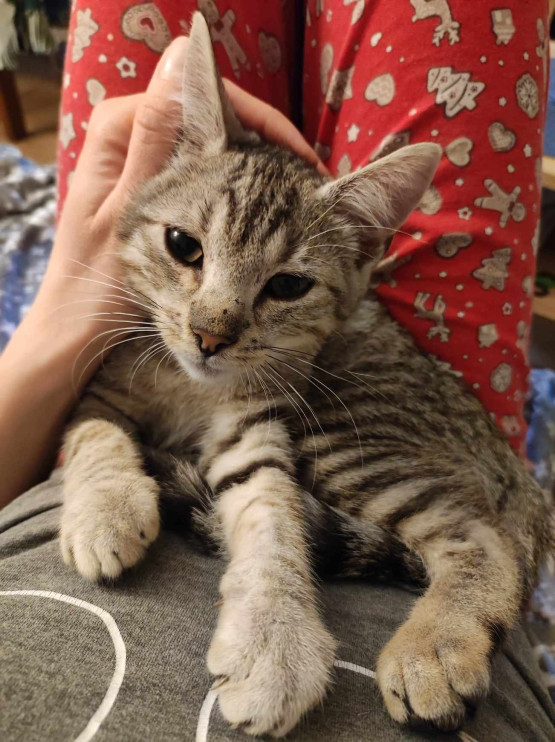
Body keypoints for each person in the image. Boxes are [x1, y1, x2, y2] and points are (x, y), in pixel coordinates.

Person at [0, 4, 553, 740]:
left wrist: (62, 378)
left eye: (285, 284)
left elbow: (233, 452)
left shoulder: (280, 372)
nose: (213, 328)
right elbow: (154, 429)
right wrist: (104, 460)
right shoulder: (189, 348)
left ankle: (476, 559)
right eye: (186, 247)